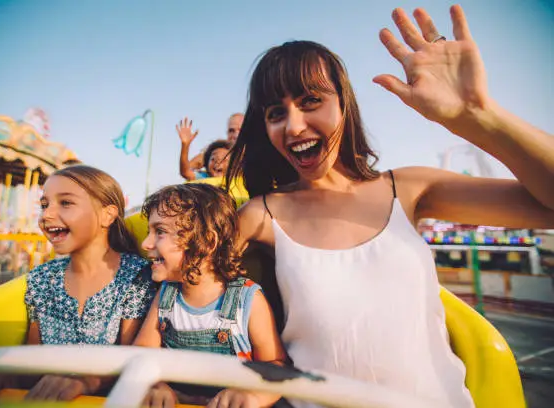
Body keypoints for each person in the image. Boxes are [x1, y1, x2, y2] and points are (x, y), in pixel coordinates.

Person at [225, 5, 554, 408]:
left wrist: (480, 115)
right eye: (276, 113)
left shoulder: (408, 188)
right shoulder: (261, 214)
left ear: (343, 104)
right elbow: (186, 286)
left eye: (310, 101)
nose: (293, 126)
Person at [133, 183, 286, 408]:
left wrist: (255, 395)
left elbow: (277, 364)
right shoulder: (166, 295)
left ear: (207, 242)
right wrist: (152, 383)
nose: (146, 243)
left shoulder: (247, 299)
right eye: (149, 232)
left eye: (160, 232)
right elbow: (142, 351)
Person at [23, 164, 157, 400]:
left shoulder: (136, 276)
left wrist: (86, 381)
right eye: (44, 205)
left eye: (65, 203)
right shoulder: (40, 278)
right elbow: (30, 364)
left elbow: (133, 362)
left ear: (107, 214)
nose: (46, 215)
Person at [179, 114, 244, 180]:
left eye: (241, 130)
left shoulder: (252, 157)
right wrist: (185, 145)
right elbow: (186, 171)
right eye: (231, 130)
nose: (236, 135)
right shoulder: (213, 152)